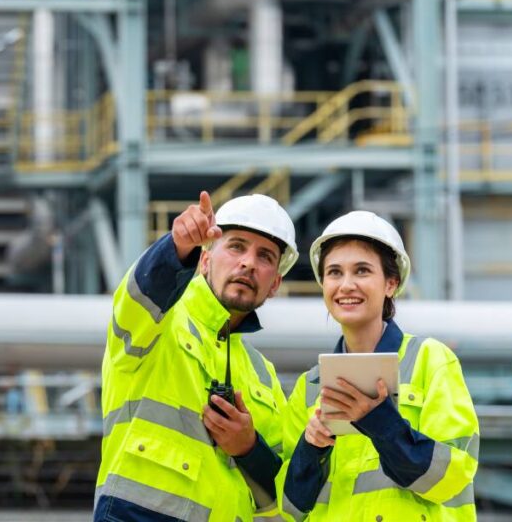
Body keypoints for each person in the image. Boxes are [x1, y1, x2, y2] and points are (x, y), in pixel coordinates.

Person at [94, 191, 298, 522]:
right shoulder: (160, 316)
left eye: (265, 256)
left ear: (274, 283)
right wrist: (176, 247)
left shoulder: (264, 376)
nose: (248, 262)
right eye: (236, 247)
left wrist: (249, 448)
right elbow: (137, 297)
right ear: (204, 260)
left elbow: (281, 496)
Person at [278, 211, 479, 522]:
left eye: (361, 271)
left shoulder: (429, 360)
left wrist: (382, 423)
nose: (346, 285)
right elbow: (289, 509)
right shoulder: (310, 386)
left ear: (391, 284)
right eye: (334, 272)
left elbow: (453, 476)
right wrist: (311, 448)